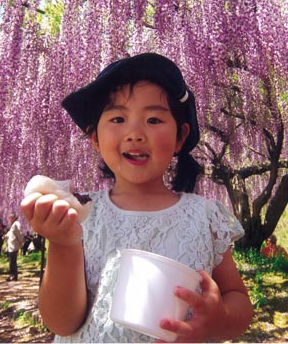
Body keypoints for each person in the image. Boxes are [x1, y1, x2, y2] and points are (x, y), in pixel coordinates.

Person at [21, 53, 253, 342]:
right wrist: (62, 243)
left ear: (180, 137)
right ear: (94, 138)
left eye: (153, 119)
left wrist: (219, 320)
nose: (135, 133)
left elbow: (237, 297)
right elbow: (63, 323)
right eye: (118, 118)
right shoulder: (81, 213)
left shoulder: (204, 216)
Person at [4, 213, 25, 281]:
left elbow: (19, 233)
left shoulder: (16, 223)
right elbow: (11, 232)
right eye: (9, 218)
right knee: (11, 261)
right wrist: (6, 235)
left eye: (11, 217)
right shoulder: (13, 224)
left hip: (14, 246)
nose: (9, 219)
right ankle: (12, 275)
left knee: (13, 261)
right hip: (11, 246)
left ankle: (14, 275)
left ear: (14, 218)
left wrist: (21, 241)